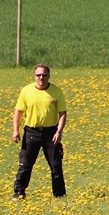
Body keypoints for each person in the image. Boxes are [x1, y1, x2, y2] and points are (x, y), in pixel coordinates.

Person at [11, 63, 67, 200]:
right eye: (38, 75)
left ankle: (59, 195)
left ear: (49, 76)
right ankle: (19, 193)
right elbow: (18, 112)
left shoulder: (56, 92)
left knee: (56, 165)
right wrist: (15, 131)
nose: (41, 77)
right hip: (31, 132)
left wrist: (59, 132)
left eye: (44, 75)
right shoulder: (26, 91)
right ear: (34, 76)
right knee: (25, 164)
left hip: (51, 133)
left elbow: (62, 113)